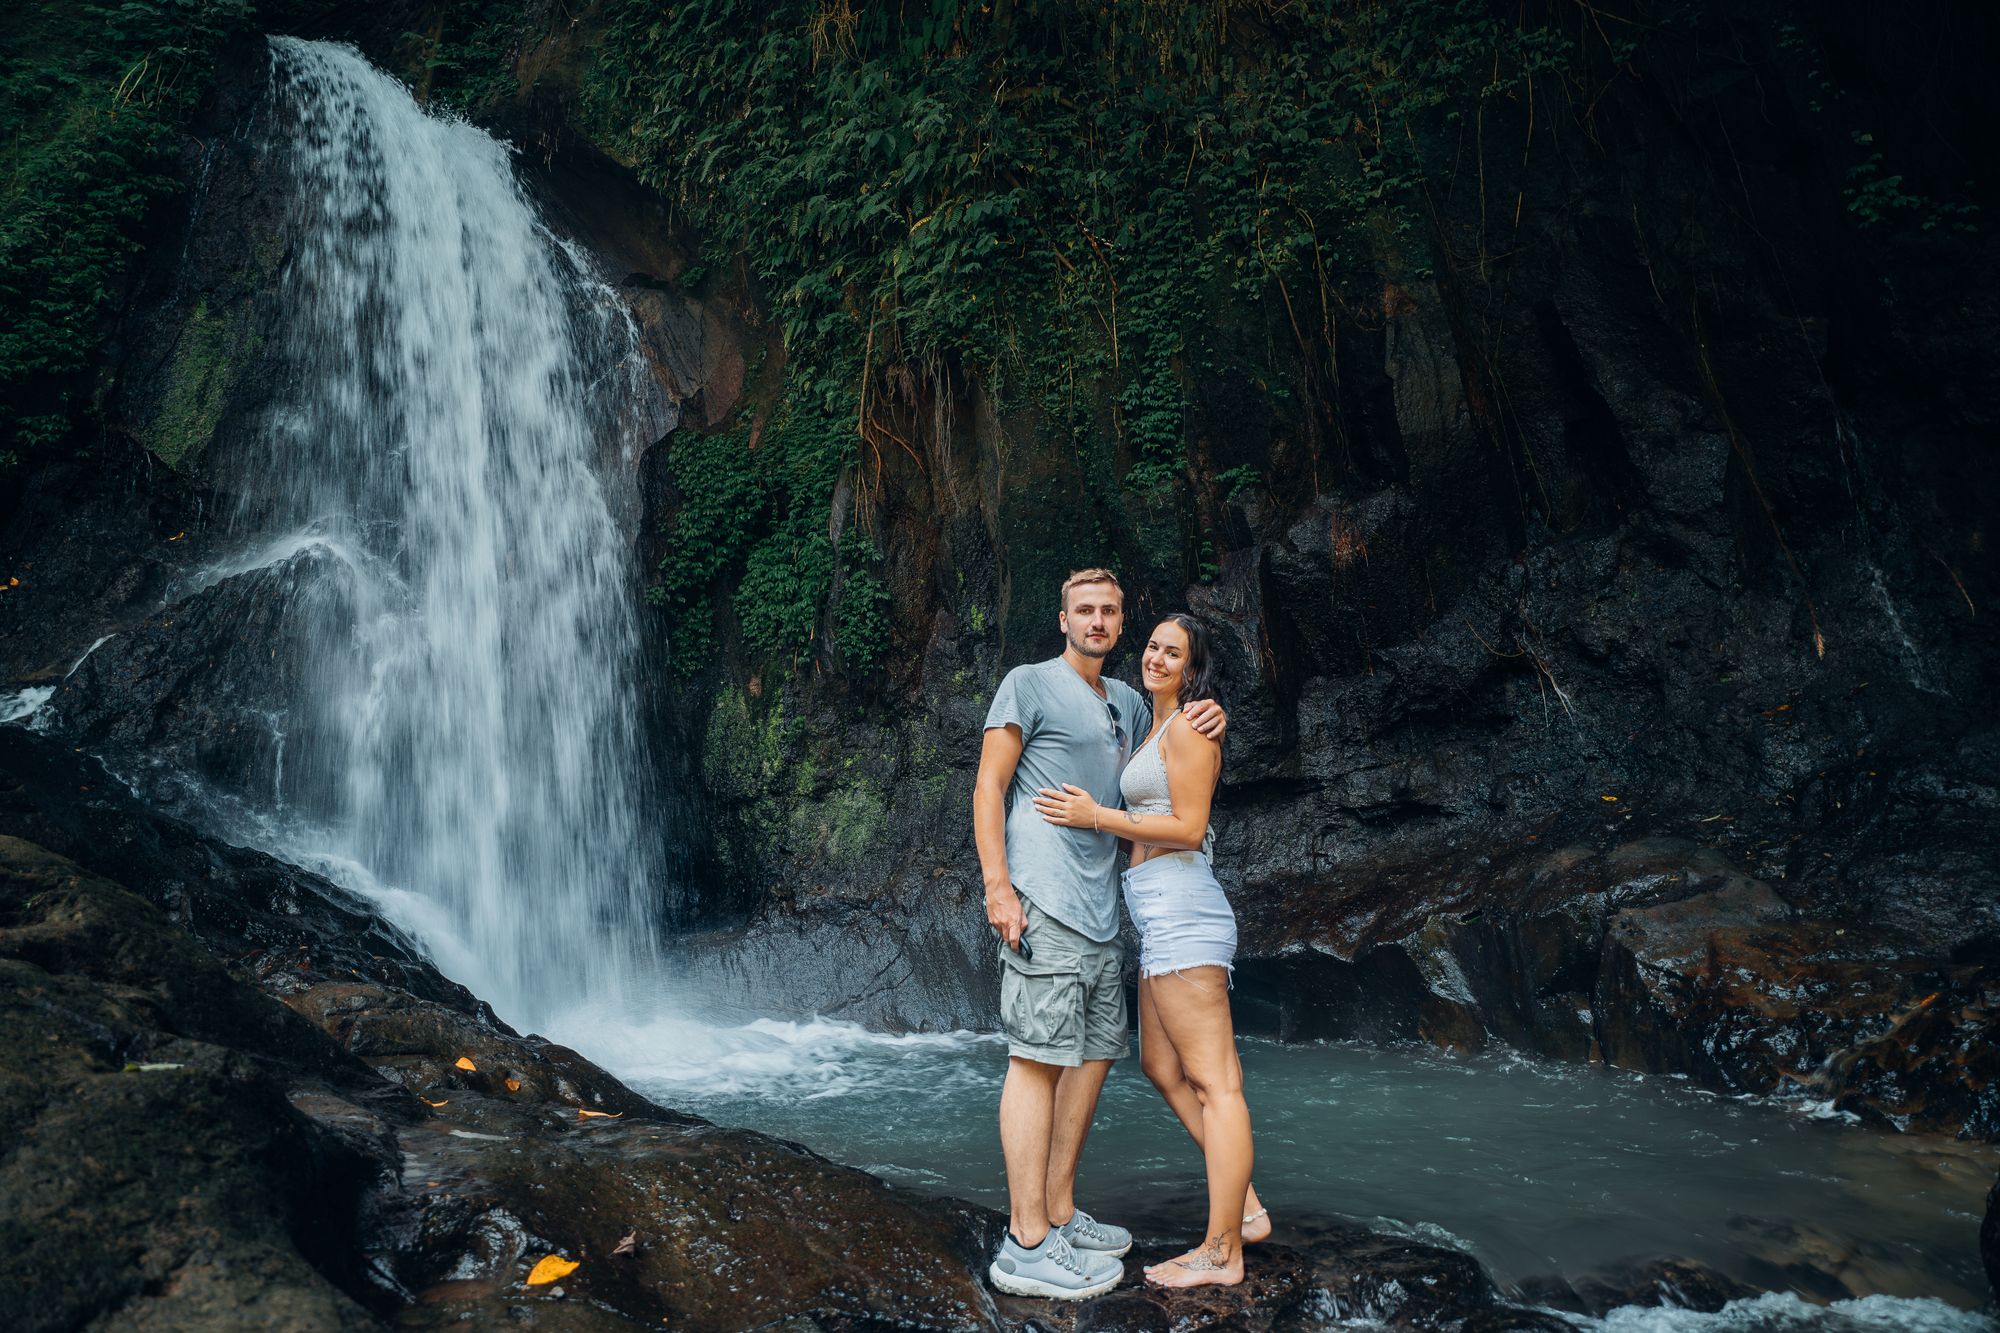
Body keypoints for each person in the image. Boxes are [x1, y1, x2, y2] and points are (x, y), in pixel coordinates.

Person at [973, 570, 1226, 1300]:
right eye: (1084, 609)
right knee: (1036, 1057)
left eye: (1109, 611)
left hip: (1102, 909)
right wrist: (997, 885)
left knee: (1090, 1057)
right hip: (1042, 900)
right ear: (1062, 619)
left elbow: (1173, 746)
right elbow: (990, 784)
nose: (1097, 620)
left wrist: (1217, 718)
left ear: (1121, 624)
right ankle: (1025, 1244)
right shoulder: (1027, 683)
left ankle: (1057, 1210)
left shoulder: (1124, 703)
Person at [1032, 612, 1265, 1288]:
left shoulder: (1192, 727)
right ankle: (1241, 1202)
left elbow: (1190, 828)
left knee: (1217, 1084)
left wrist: (1095, 816)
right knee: (1161, 1064)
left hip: (1186, 914)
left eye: (1174, 652)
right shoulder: (1156, 721)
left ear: (1193, 669)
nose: (1157, 658)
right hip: (1158, 920)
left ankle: (1224, 1251)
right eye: (1154, 647)